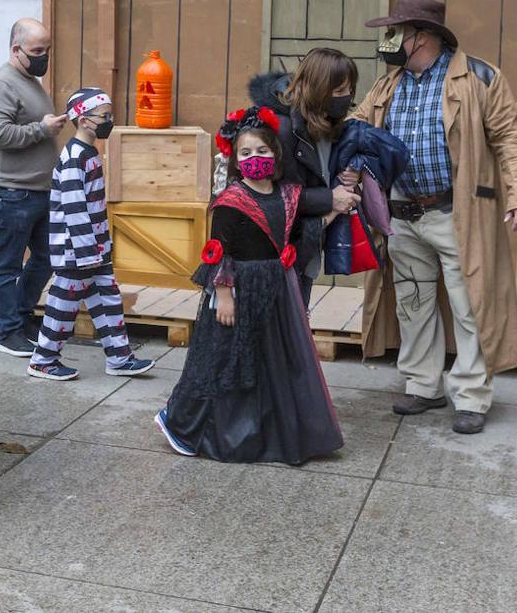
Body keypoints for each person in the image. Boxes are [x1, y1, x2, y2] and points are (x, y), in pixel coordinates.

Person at [356, 0, 517, 435]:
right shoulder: (388, 84)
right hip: (401, 214)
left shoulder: (479, 77)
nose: (388, 40)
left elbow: (508, 139)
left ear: (423, 35)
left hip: (456, 213)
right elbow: (358, 127)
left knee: (470, 303)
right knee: (413, 301)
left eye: (394, 31)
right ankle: (422, 384)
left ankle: (472, 396)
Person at [155, 107, 343, 463]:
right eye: (245, 153)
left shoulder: (288, 194)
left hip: (275, 289)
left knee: (269, 361)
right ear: (235, 160)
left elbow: (298, 230)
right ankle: (181, 423)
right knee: (225, 361)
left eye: (261, 151)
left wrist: (335, 207)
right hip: (239, 289)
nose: (254, 158)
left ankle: (269, 431)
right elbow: (217, 251)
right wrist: (224, 295)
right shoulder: (231, 201)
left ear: (275, 154)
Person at [28, 89, 154, 381]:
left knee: (108, 300)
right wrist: (87, 252)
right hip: (77, 252)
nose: (109, 121)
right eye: (104, 116)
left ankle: (119, 357)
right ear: (84, 120)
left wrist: (100, 248)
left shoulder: (88, 153)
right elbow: (75, 208)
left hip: (94, 250)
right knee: (63, 304)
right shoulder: (74, 157)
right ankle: (43, 359)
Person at [0, 18, 68, 357]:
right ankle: (8, 331)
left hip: (40, 189)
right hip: (11, 191)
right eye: (37, 51)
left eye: (47, 50)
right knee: (7, 264)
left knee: (47, 256)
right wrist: (42, 130)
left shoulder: (31, 80)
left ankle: (21, 313)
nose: (44, 56)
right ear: (16, 50)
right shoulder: (2, 84)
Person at [248, 49, 365, 304]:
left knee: (298, 327)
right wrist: (329, 199)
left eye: (349, 90)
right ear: (319, 90)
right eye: (339, 92)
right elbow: (270, 195)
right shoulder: (281, 129)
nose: (346, 98)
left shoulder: (326, 123)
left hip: (304, 245)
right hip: (274, 253)